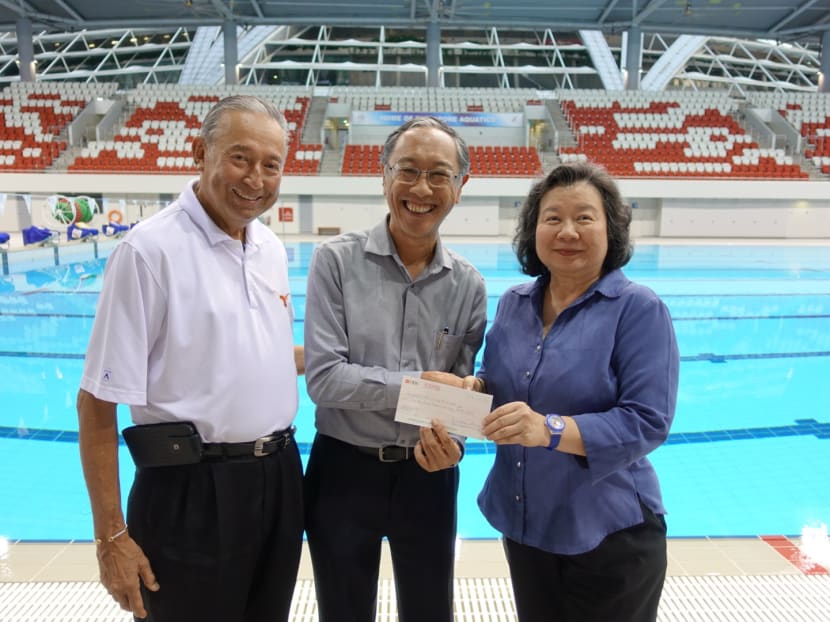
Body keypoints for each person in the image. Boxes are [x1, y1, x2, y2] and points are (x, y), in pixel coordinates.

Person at [77, 95, 304, 622]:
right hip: (190, 491)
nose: (256, 178)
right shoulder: (148, 252)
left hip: (278, 479)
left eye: (272, 165)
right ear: (199, 153)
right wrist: (111, 536)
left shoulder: (269, 247)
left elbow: (258, 355)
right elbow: (96, 401)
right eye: (240, 158)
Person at [462, 162, 679, 621]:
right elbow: (500, 380)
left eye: (584, 217)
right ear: (533, 229)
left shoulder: (637, 309)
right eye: (552, 218)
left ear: (611, 228)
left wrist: (549, 429)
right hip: (528, 526)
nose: (567, 231)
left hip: (609, 533)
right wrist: (472, 387)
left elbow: (648, 421)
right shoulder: (515, 303)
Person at [303, 116, 488, 622]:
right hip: (343, 468)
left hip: (428, 475)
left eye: (439, 174)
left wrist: (455, 443)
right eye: (407, 170)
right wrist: (419, 387)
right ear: (383, 176)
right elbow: (323, 380)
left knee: (431, 610)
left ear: (461, 186)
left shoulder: (469, 286)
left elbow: (463, 392)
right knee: (342, 610)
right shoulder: (335, 262)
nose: (421, 189)